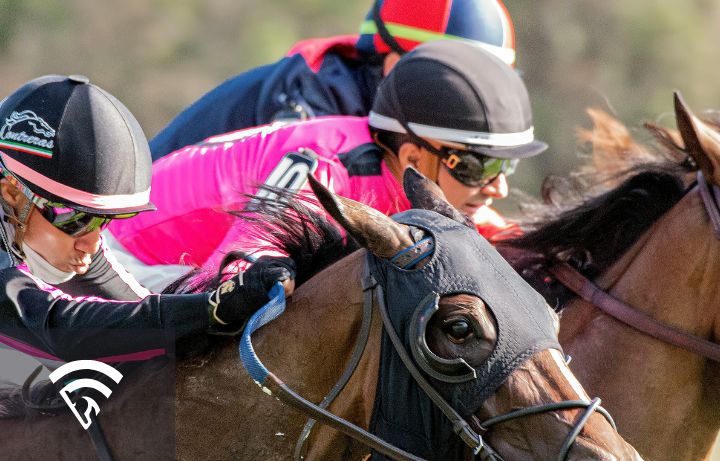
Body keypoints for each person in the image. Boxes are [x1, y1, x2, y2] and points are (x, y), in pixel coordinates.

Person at [108, 40, 546, 291]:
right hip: (132, 255)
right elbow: (231, 275)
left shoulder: (413, 172)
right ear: (414, 157)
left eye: (502, 169)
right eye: (478, 169)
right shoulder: (328, 169)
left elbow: (494, 232)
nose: (498, 189)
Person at [0, 75, 288, 365]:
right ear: (11, 192)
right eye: (76, 220)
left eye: (103, 222)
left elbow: (138, 308)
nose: (90, 244)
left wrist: (229, 300)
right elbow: (60, 328)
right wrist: (211, 309)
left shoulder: (42, 222)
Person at [148, 0, 516, 161]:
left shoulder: (373, 99)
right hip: (132, 247)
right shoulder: (313, 108)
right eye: (461, 87)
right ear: (393, 66)